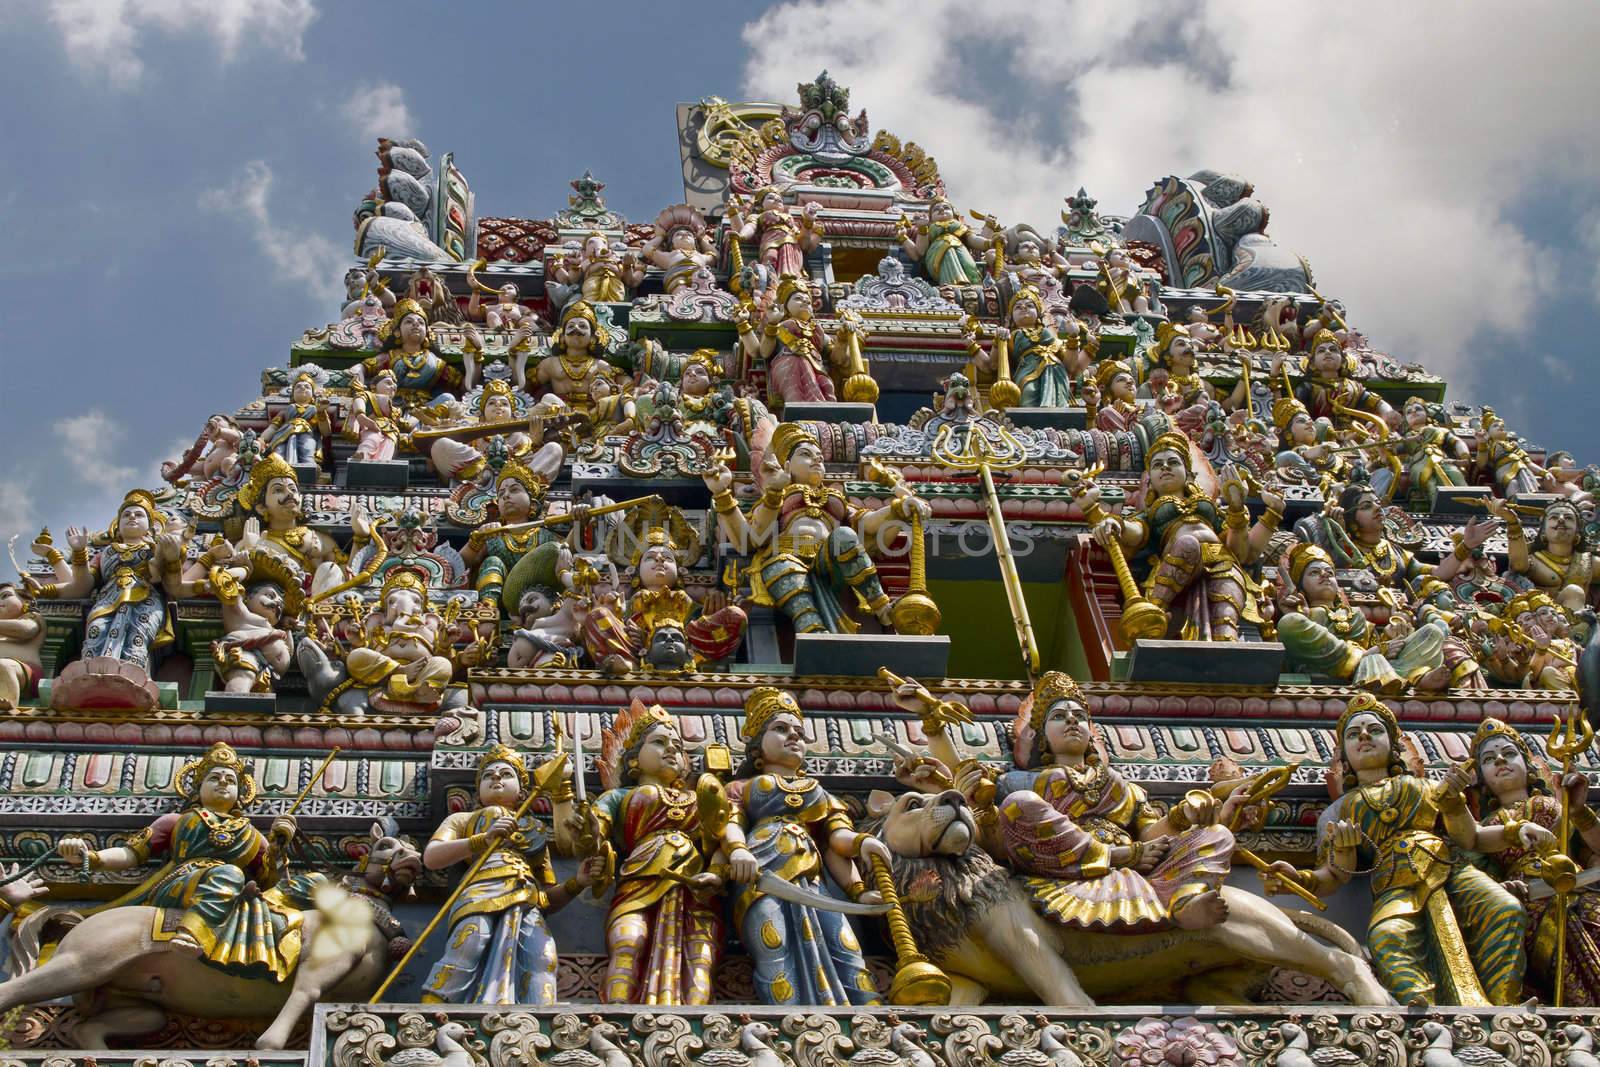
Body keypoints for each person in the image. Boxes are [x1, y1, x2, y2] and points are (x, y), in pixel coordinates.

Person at [1262, 695, 1537, 1006]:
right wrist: (1298, 878)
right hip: (1396, 883)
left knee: (1505, 909)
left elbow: (1470, 837)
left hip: (1451, 869)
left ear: (1393, 747)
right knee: (1387, 938)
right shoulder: (1339, 811)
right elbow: (1335, 875)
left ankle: (1506, 1005)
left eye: (1374, 731)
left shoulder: (1424, 787)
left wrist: (1515, 830)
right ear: (1344, 758)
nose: (1364, 737)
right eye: (1354, 735)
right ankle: (1420, 1009)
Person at [716, 687, 885, 1006]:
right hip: (761, 880)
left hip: (813, 885)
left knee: (845, 946)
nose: (793, 737)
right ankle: (787, 1019)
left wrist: (862, 852)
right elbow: (730, 823)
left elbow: (837, 841)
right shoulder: (742, 787)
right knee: (773, 944)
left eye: (800, 733)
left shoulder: (819, 794)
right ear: (757, 746)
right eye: (780, 729)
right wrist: (738, 849)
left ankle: (867, 1019)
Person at [418, 745, 594, 1004]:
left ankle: (539, 1017)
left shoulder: (534, 829)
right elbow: (432, 857)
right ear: (477, 791)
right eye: (488, 775)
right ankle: (430, 1013)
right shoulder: (462, 819)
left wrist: (577, 883)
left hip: (527, 899)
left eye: (505, 774)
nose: (497, 778)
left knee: (542, 957)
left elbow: (547, 896)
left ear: (523, 792)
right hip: (479, 893)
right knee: (470, 944)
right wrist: (482, 840)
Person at [588, 701, 723, 1004]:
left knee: (699, 954)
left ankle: (695, 1018)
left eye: (677, 745)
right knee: (628, 942)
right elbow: (592, 831)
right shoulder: (619, 795)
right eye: (659, 742)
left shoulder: (696, 798)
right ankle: (618, 1014)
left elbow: (719, 839)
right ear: (633, 759)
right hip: (640, 878)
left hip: (694, 885)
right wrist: (575, 817)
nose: (672, 750)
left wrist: (717, 872)